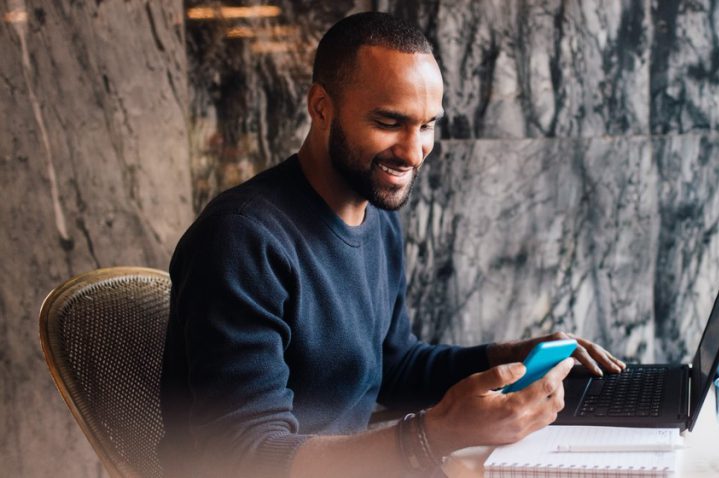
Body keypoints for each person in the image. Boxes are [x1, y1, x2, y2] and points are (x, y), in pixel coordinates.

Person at [158, 11, 624, 478]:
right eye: (389, 122)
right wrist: (432, 435)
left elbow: (394, 365)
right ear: (321, 107)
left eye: (427, 125)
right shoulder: (241, 239)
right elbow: (246, 456)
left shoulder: (375, 216)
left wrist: (507, 357)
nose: (413, 150)